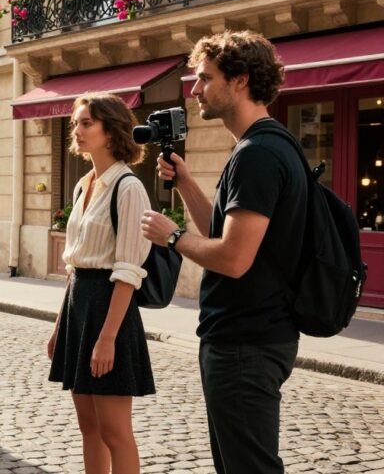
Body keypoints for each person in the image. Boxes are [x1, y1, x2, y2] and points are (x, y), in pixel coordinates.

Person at [142, 31, 305, 474]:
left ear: (240, 81)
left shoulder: (258, 154)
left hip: (244, 342)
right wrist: (187, 183)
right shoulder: (266, 146)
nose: (194, 89)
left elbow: (234, 258)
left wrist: (172, 237)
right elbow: (223, 231)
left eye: (204, 78)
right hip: (247, 338)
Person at [47, 93, 155, 474]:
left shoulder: (128, 188)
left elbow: (128, 271)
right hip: (80, 307)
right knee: (88, 427)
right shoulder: (82, 185)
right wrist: (60, 326)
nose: (76, 130)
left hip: (110, 310)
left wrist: (107, 337)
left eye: (86, 123)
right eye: (76, 123)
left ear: (111, 131)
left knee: (114, 431)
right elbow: (74, 265)